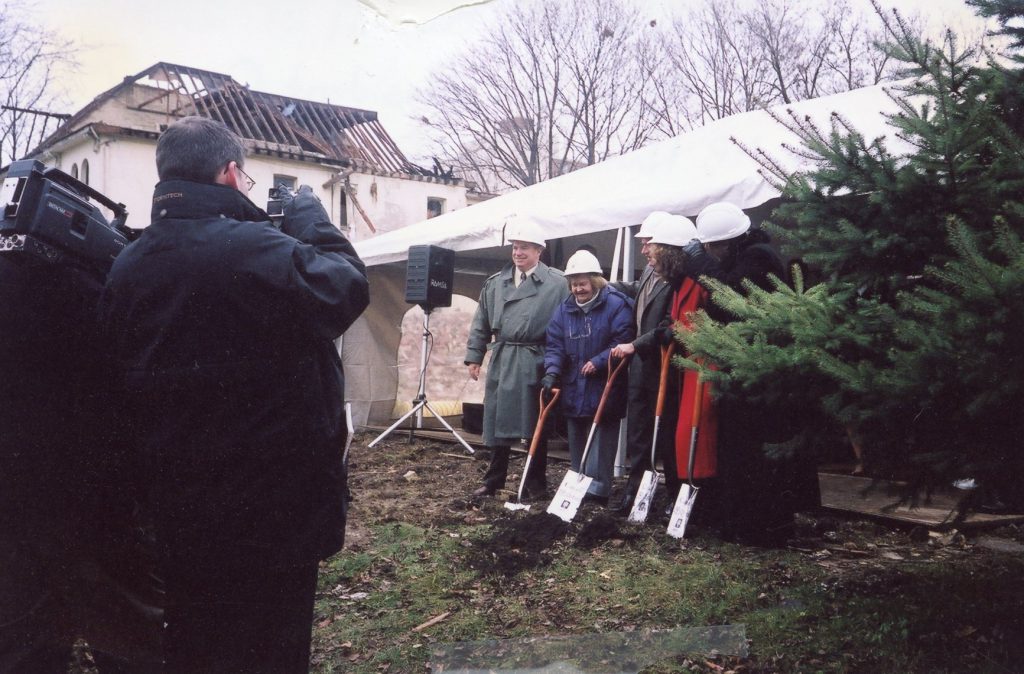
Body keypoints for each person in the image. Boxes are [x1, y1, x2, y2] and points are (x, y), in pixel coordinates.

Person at [98, 116, 369, 672]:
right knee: (272, 643)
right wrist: (312, 221)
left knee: (198, 637)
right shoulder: (258, 249)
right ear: (228, 173)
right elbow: (346, 287)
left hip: (177, 506)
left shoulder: (126, 265)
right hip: (272, 507)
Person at [679, 201, 815, 545]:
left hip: (757, 372)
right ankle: (743, 524)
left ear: (725, 243)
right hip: (743, 366)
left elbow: (730, 292)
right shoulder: (751, 254)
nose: (710, 253)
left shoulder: (759, 257)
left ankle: (760, 528)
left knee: (752, 456)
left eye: (711, 248)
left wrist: (700, 264)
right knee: (739, 454)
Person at [465, 218, 568, 499]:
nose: (518, 253)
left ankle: (536, 482)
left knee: (536, 423)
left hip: (536, 359)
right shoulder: (496, 284)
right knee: (497, 421)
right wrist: (475, 356)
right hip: (503, 357)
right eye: (515, 248)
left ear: (539, 251)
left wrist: (558, 365)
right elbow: (481, 321)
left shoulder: (557, 284)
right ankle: (494, 480)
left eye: (524, 248)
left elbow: (566, 325)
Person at [542, 250, 635, 505]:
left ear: (595, 281)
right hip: (574, 385)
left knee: (601, 440)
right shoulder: (564, 310)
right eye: (573, 284)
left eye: (582, 284)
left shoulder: (616, 304)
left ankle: (598, 490)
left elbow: (623, 341)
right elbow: (555, 344)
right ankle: (577, 487)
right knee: (577, 440)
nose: (577, 289)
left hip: (605, 384)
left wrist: (599, 361)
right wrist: (551, 371)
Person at [610, 212, 684, 514]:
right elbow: (639, 293)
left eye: (647, 243)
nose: (642, 250)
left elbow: (669, 323)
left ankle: (673, 493)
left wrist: (635, 345)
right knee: (638, 432)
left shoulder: (676, 280)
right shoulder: (651, 273)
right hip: (640, 366)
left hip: (663, 365)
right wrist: (607, 285)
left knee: (665, 433)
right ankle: (635, 490)